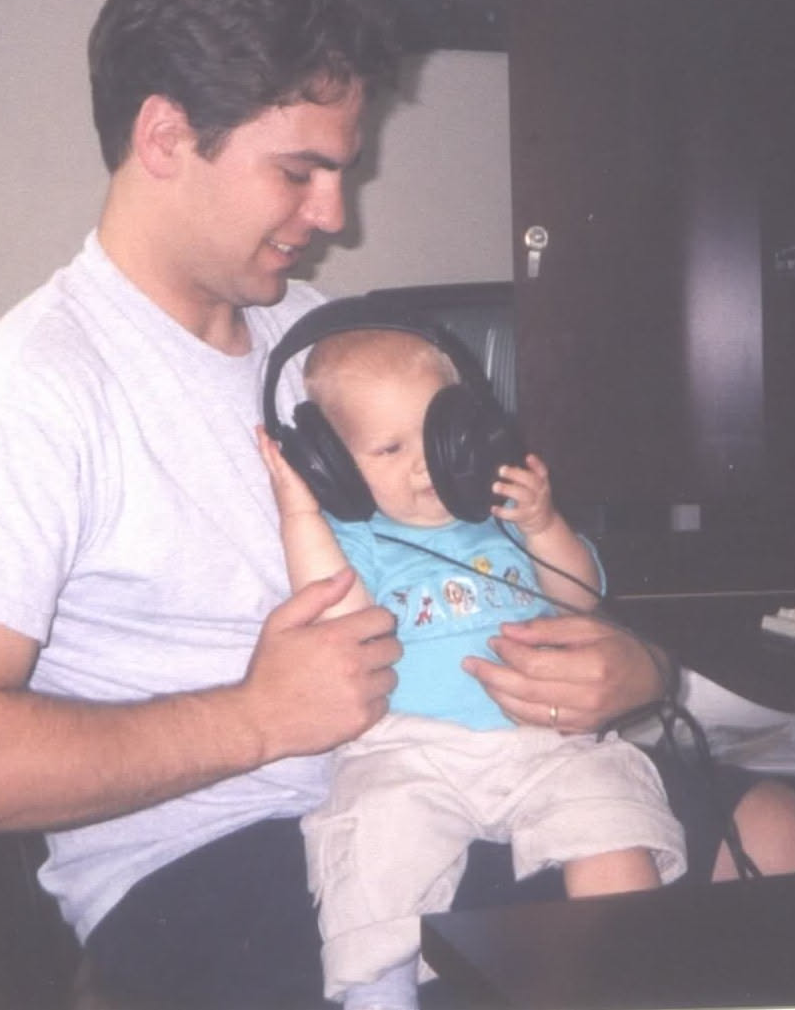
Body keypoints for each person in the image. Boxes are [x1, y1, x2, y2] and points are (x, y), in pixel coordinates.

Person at [0, 0, 795, 1010]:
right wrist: (258, 715)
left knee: (793, 843)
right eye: (300, 172)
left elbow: (493, 560)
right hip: (214, 854)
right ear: (164, 136)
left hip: (466, 765)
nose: (335, 215)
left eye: (342, 171)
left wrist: (631, 668)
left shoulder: (326, 349)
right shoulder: (17, 400)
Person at [258, 317, 686, 1009]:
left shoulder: (500, 514)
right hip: (409, 751)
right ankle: (380, 996)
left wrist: (543, 524)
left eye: (438, 438)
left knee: (609, 809)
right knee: (375, 850)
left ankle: (624, 971)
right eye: (389, 448)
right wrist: (301, 516)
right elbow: (339, 615)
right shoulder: (357, 537)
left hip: (543, 741)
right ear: (331, 465)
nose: (421, 465)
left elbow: (580, 595)